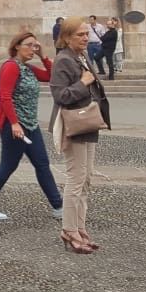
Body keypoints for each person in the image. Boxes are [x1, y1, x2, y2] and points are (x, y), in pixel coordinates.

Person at [0, 32, 62, 223]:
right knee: (8, 165)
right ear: (17, 46)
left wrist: (43, 56)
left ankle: (58, 206)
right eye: (29, 45)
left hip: (30, 124)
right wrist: (14, 123)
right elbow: (4, 96)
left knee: (42, 164)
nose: (33, 49)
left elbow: (50, 76)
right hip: (14, 127)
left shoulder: (26, 68)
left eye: (35, 46)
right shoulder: (11, 67)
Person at [49, 16, 111, 254]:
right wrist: (83, 83)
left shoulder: (81, 56)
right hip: (75, 125)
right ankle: (68, 229)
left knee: (85, 179)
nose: (85, 38)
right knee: (75, 180)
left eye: (86, 34)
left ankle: (80, 228)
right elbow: (60, 96)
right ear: (66, 38)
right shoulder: (63, 60)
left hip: (89, 123)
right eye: (80, 35)